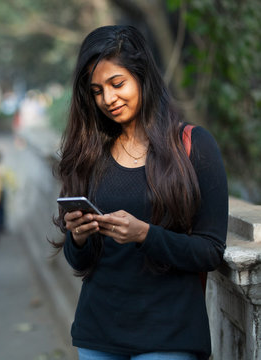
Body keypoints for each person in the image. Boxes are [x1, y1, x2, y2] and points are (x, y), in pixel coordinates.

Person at [53, 25, 228, 360]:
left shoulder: (192, 146)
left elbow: (209, 251)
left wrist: (145, 234)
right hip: (97, 333)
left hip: (168, 335)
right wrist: (78, 237)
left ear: (143, 75)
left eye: (117, 83)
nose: (108, 99)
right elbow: (80, 262)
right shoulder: (92, 155)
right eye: (96, 91)